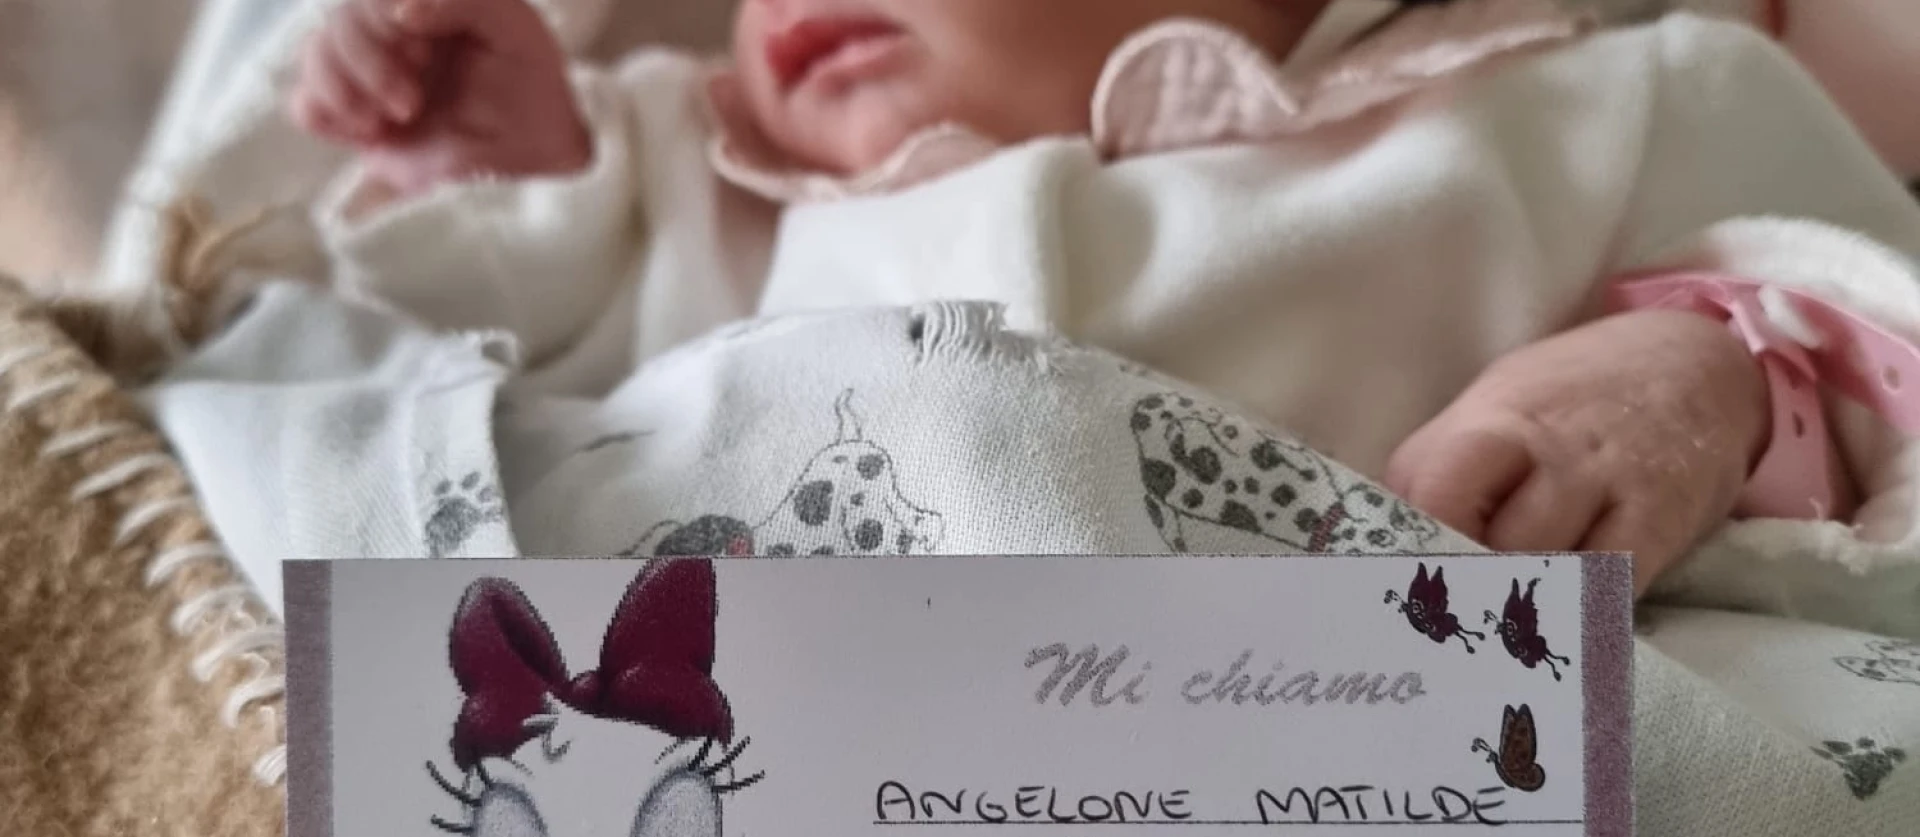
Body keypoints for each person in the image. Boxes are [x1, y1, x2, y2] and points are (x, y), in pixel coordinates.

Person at [284, 0, 1920, 591]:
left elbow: (1861, 292)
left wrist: (1705, 374)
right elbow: (547, 399)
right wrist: (505, 161)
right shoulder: (724, 193)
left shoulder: (1563, 109)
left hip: (1375, 829)